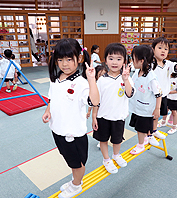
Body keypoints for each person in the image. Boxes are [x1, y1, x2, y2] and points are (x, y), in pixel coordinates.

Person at [42, 38, 99, 198]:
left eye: (69, 59)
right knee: (69, 160)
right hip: (57, 129)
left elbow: (94, 101)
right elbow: (51, 98)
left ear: (79, 59)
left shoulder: (81, 83)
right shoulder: (56, 79)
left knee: (78, 164)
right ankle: (75, 179)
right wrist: (48, 111)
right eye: (60, 60)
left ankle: (76, 184)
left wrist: (92, 80)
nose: (64, 64)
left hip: (72, 134)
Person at [92, 43, 134, 174]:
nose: (114, 62)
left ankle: (116, 155)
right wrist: (94, 116)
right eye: (111, 58)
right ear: (105, 61)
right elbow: (96, 101)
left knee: (117, 139)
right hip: (103, 117)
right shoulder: (101, 80)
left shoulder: (127, 78)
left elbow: (129, 93)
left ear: (124, 62)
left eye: (118, 59)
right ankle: (106, 159)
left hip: (119, 116)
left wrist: (126, 80)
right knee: (103, 140)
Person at [128, 45, 162, 154]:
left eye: (133, 59)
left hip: (146, 109)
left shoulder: (151, 77)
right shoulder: (137, 72)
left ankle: (141, 145)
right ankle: (147, 138)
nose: (132, 61)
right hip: (137, 106)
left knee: (140, 129)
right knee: (140, 126)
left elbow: (159, 94)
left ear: (141, 61)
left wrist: (157, 109)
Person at [163, 70, 177, 134]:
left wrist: (169, 92)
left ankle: (174, 127)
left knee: (174, 112)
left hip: (174, 98)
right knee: (165, 109)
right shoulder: (168, 77)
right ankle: (163, 122)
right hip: (167, 97)